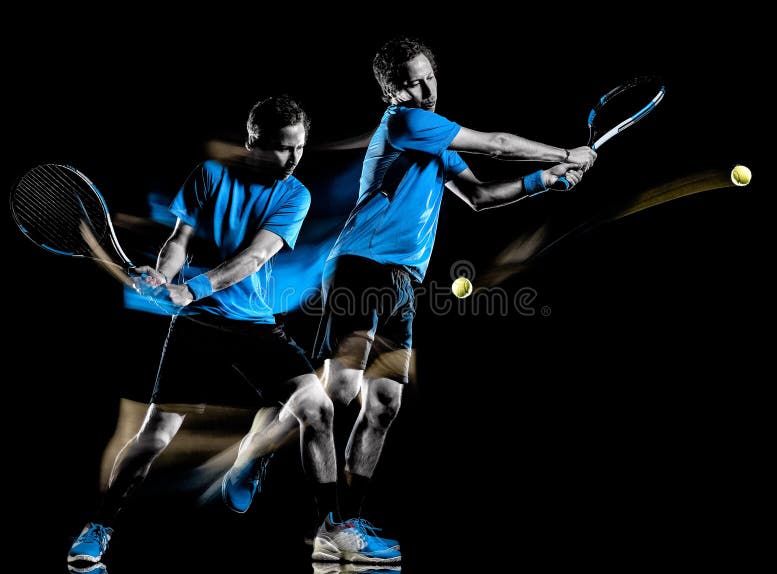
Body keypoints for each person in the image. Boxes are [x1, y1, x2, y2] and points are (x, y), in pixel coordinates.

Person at [309, 36, 597, 561]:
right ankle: (272, 450)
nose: (424, 90)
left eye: (429, 77)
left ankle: (343, 527)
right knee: (342, 391)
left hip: (402, 283)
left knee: (384, 404)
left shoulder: (435, 139)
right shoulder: (406, 123)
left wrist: (546, 179)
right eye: (410, 83)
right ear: (390, 92)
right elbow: (498, 144)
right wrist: (565, 152)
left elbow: (483, 196)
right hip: (361, 266)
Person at [68, 95, 345, 565]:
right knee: (154, 437)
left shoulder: (295, 193)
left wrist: (192, 288)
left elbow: (257, 255)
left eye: (300, 147)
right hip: (199, 325)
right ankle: (99, 526)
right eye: (282, 148)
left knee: (317, 409)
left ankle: (331, 530)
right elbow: (178, 241)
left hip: (254, 322)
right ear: (253, 141)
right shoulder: (210, 176)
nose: (294, 159)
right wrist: (163, 275)